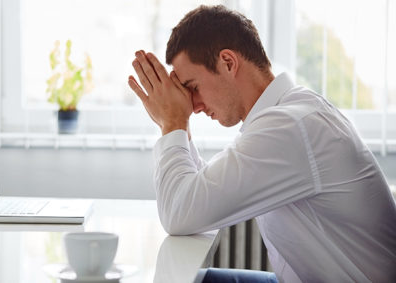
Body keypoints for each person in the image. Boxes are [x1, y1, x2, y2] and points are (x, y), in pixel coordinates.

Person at [128, 5, 396, 283]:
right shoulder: (288, 116)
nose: (192, 106)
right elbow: (202, 192)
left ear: (228, 63)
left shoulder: (290, 128)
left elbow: (179, 214)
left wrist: (173, 122)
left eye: (193, 86)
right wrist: (174, 124)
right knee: (195, 280)